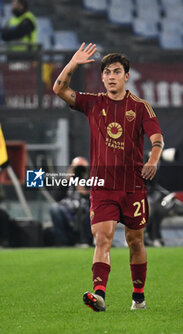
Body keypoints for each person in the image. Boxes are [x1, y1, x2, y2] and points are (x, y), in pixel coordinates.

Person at [53, 43, 163, 311]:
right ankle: (99, 294)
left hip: (133, 186)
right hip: (102, 187)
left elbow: (157, 138)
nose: (111, 76)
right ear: (101, 77)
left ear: (126, 76)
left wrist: (152, 160)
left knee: (135, 241)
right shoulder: (93, 103)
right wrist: (73, 63)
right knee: (103, 237)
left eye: (117, 71)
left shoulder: (140, 107)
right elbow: (59, 89)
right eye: (107, 72)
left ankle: (138, 297)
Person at [49, 156, 92, 247]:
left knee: (92, 211)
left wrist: (85, 193)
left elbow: (98, 202)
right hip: (67, 210)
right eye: (77, 168)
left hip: (85, 210)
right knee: (54, 208)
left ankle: (86, 241)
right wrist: (67, 180)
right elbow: (56, 198)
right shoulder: (66, 181)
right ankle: (63, 242)